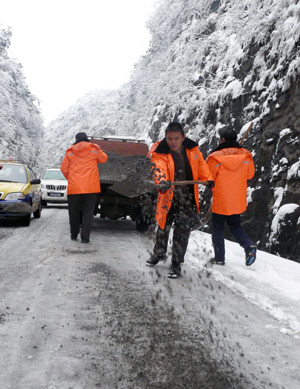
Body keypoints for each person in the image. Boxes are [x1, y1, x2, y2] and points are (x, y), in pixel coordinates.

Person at [146, 122, 213, 278]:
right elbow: (158, 167)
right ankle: (159, 253)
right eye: (169, 138)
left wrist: (208, 179)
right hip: (168, 197)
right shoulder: (160, 151)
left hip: (187, 198)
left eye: (176, 138)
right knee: (163, 229)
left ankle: (176, 264)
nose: (173, 142)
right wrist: (162, 180)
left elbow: (201, 165)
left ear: (183, 137)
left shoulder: (193, 150)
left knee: (182, 233)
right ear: (165, 137)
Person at [206, 126, 256, 266]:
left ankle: (219, 258)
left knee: (218, 228)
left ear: (222, 140)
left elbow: (208, 177)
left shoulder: (215, 157)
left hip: (221, 199)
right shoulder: (246, 155)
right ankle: (249, 246)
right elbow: (250, 174)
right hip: (237, 199)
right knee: (235, 226)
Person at [61, 132, 108, 243]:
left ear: (76, 139)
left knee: (74, 212)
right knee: (88, 213)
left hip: (74, 188)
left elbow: (64, 169)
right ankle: (85, 238)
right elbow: (104, 158)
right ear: (87, 139)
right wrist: (98, 148)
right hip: (90, 188)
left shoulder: (70, 151)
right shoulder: (94, 149)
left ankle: (74, 234)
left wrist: (71, 178)